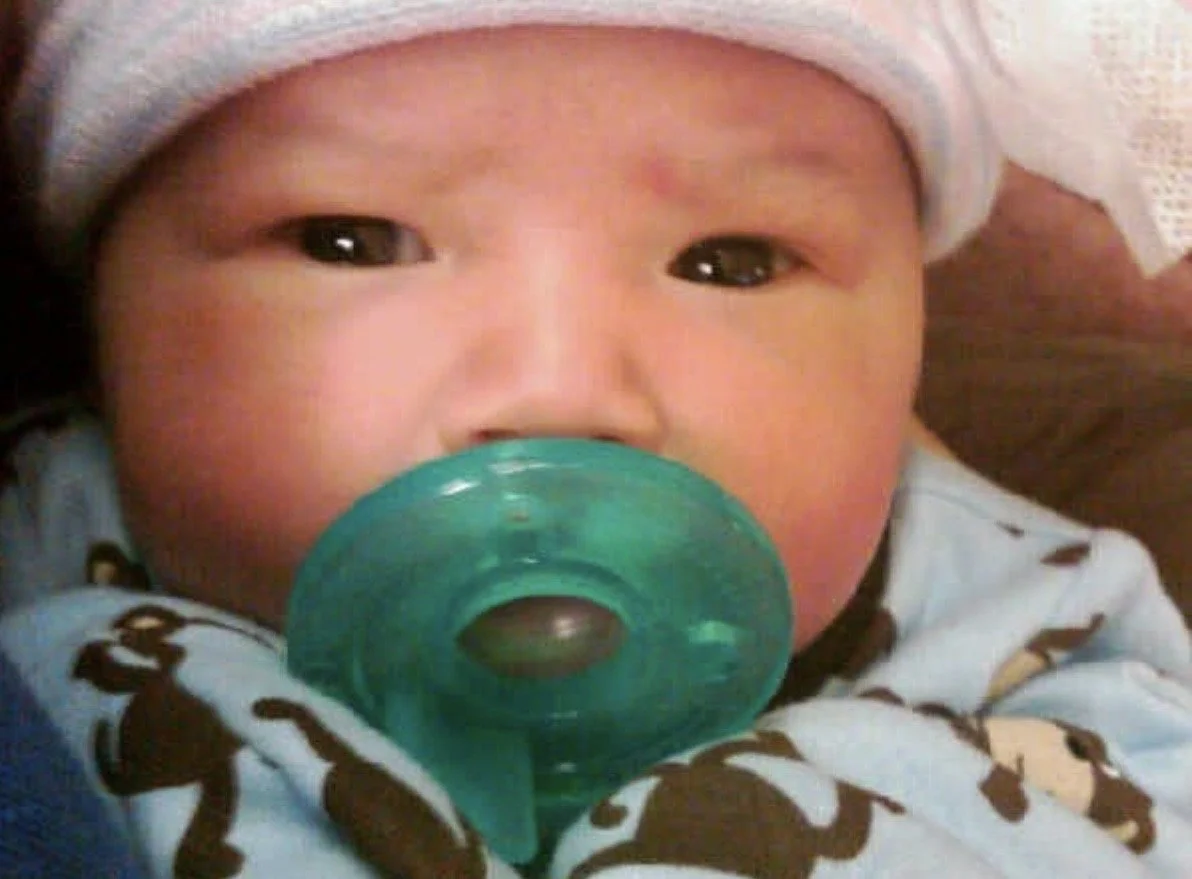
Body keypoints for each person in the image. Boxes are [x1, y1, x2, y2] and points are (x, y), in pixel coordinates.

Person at [0, 2, 1189, 877]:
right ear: (103, 318)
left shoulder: (1025, 621)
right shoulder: (32, 555)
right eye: (350, 240)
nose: (561, 391)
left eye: (729, 263)